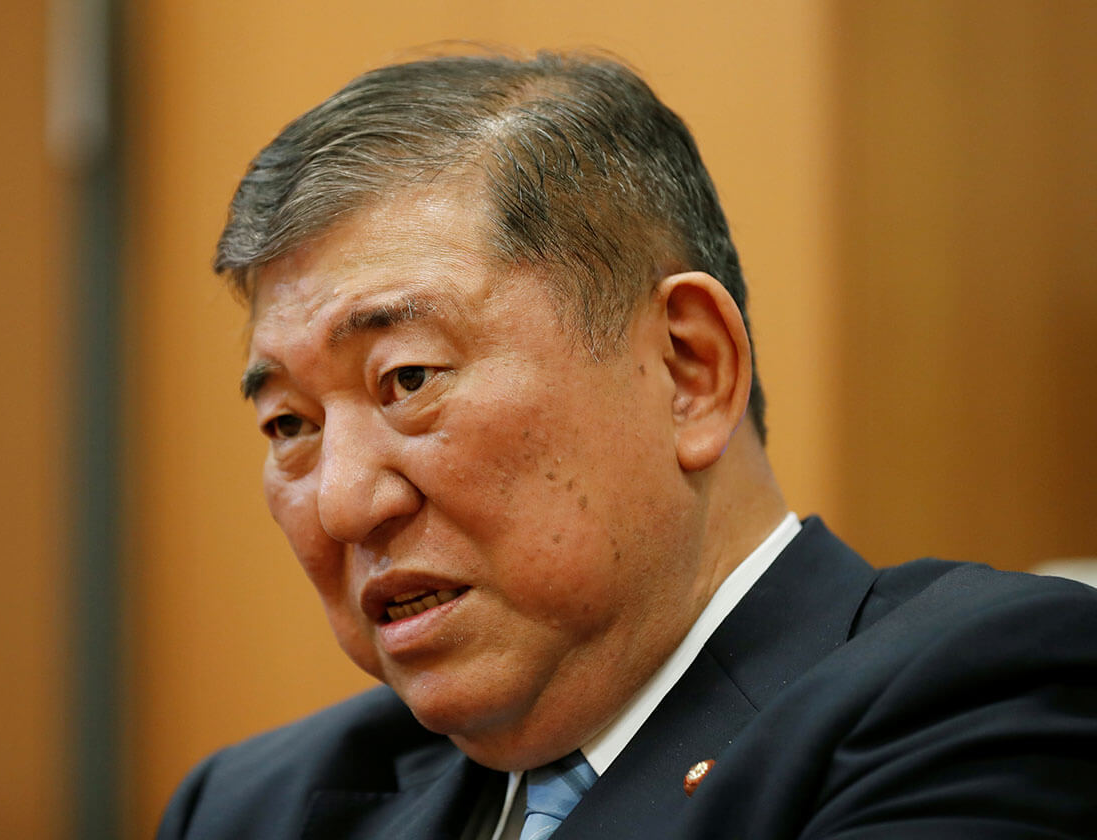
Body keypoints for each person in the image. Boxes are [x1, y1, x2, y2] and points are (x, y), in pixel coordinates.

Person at [157, 51, 1097, 839]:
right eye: (290, 425)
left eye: (408, 380)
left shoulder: (985, 697)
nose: (342, 504)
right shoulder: (251, 808)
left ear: (688, 371)